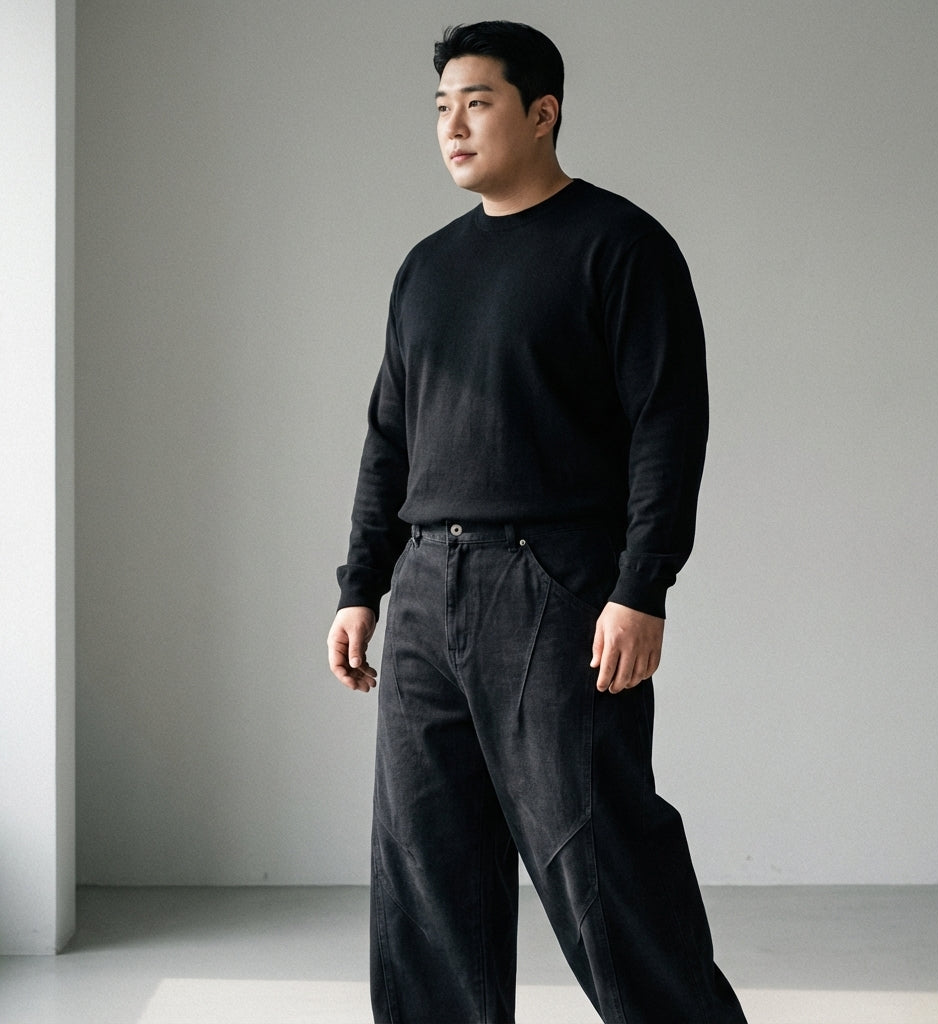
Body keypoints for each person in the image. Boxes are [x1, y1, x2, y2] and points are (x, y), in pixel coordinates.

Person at [327, 20, 747, 1024]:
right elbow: (389, 437)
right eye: (442, 107)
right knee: (425, 866)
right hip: (424, 587)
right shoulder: (426, 268)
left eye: (477, 103)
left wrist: (640, 587)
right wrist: (360, 586)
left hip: (554, 586)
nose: (453, 127)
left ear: (542, 112)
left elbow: (668, 427)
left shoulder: (620, 246)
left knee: (599, 856)